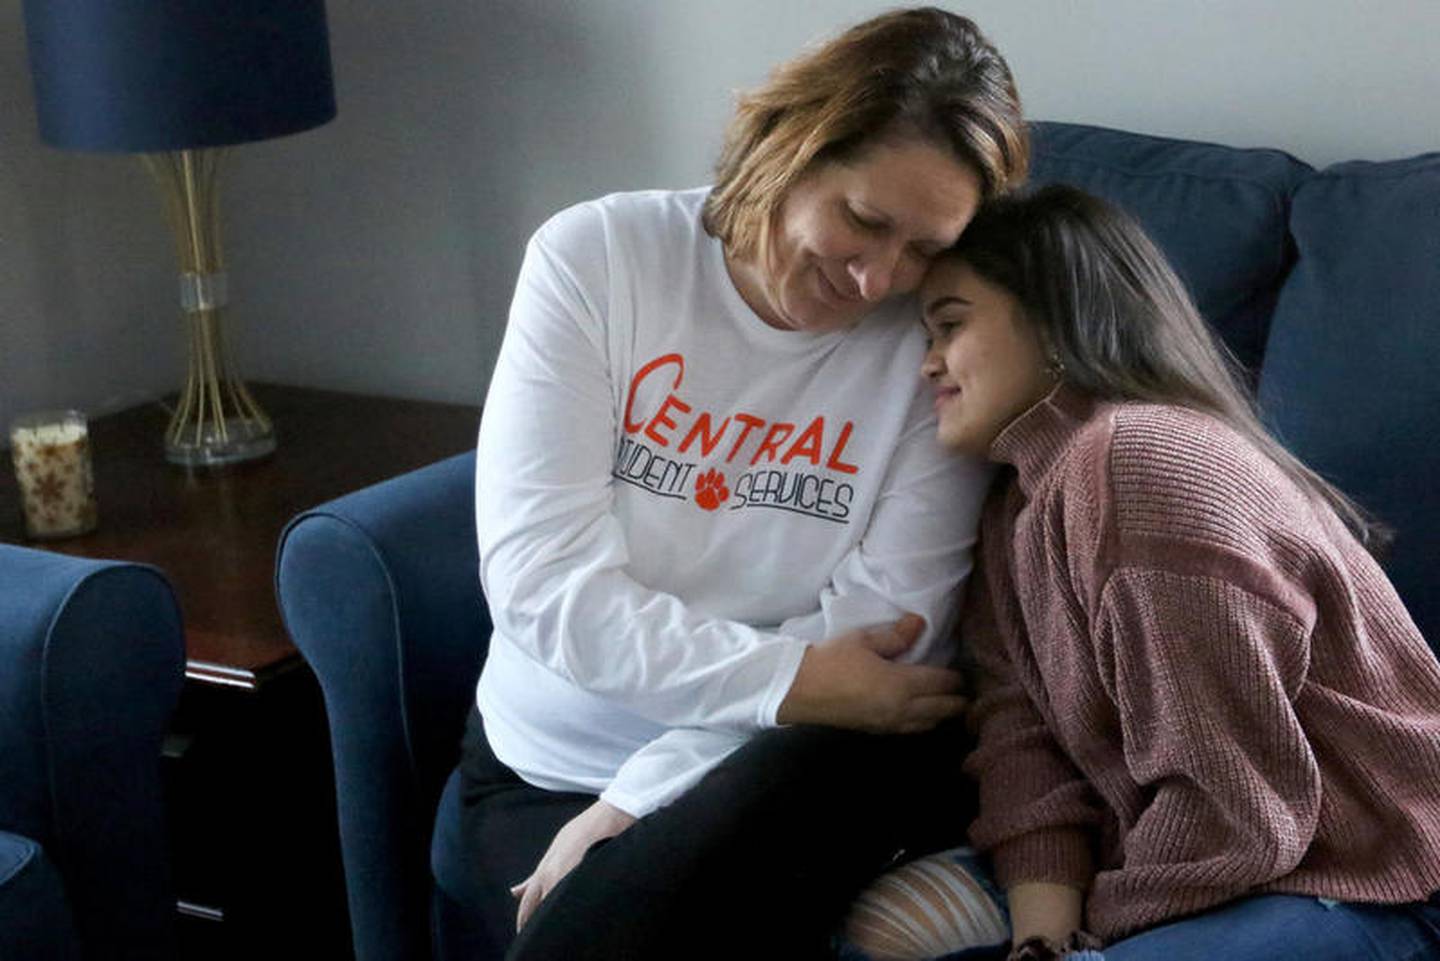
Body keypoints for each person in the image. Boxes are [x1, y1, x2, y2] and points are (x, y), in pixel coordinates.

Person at [465, 8, 1030, 959]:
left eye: (925, 247)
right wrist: (795, 676)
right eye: (863, 220)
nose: (877, 278)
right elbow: (544, 587)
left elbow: (889, 637)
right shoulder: (597, 260)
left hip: (787, 760)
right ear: (789, 145)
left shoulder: (934, 344)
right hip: (549, 764)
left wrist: (645, 793)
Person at [874, 183, 1440, 961]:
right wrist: (1042, 937)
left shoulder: (1142, 463)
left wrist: (1093, 939)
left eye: (951, 325)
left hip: (1372, 878)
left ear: (1053, 316)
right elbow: (1020, 738)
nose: (927, 362)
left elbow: (1237, 805)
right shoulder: (1017, 507)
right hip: (1197, 860)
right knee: (879, 934)